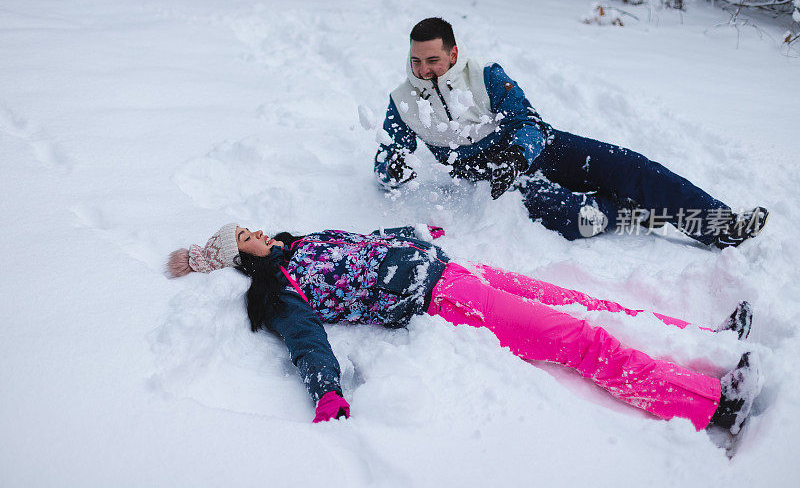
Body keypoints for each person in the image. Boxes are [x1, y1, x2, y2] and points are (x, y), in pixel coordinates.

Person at [167, 223, 763, 436]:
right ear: (245, 262)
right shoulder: (280, 291)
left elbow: (368, 244)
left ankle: (711, 341)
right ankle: (710, 405)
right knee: (578, 339)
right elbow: (307, 341)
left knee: (585, 303)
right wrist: (326, 390)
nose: (262, 234)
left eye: (253, 227)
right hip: (442, 298)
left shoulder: (301, 244)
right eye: (249, 240)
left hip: (453, 268)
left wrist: (413, 232)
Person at [374, 17, 768, 248]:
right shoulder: (404, 101)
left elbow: (527, 122)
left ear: (453, 54)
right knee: (577, 217)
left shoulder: (485, 74)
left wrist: (516, 157)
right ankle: (628, 212)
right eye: (416, 60)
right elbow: (390, 151)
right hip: (497, 182)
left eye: (433, 60)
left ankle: (720, 225)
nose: (423, 69)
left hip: (541, 149)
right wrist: (390, 167)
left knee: (631, 167)